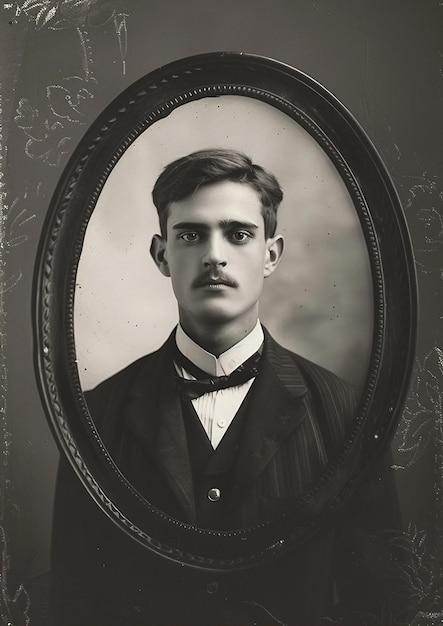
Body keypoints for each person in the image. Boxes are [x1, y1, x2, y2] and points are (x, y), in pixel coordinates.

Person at [49, 149, 403, 626]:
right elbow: (73, 600)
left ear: (270, 255)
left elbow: (381, 602)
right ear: (161, 254)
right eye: (191, 235)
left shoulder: (344, 411)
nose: (214, 255)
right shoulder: (95, 415)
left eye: (238, 235)